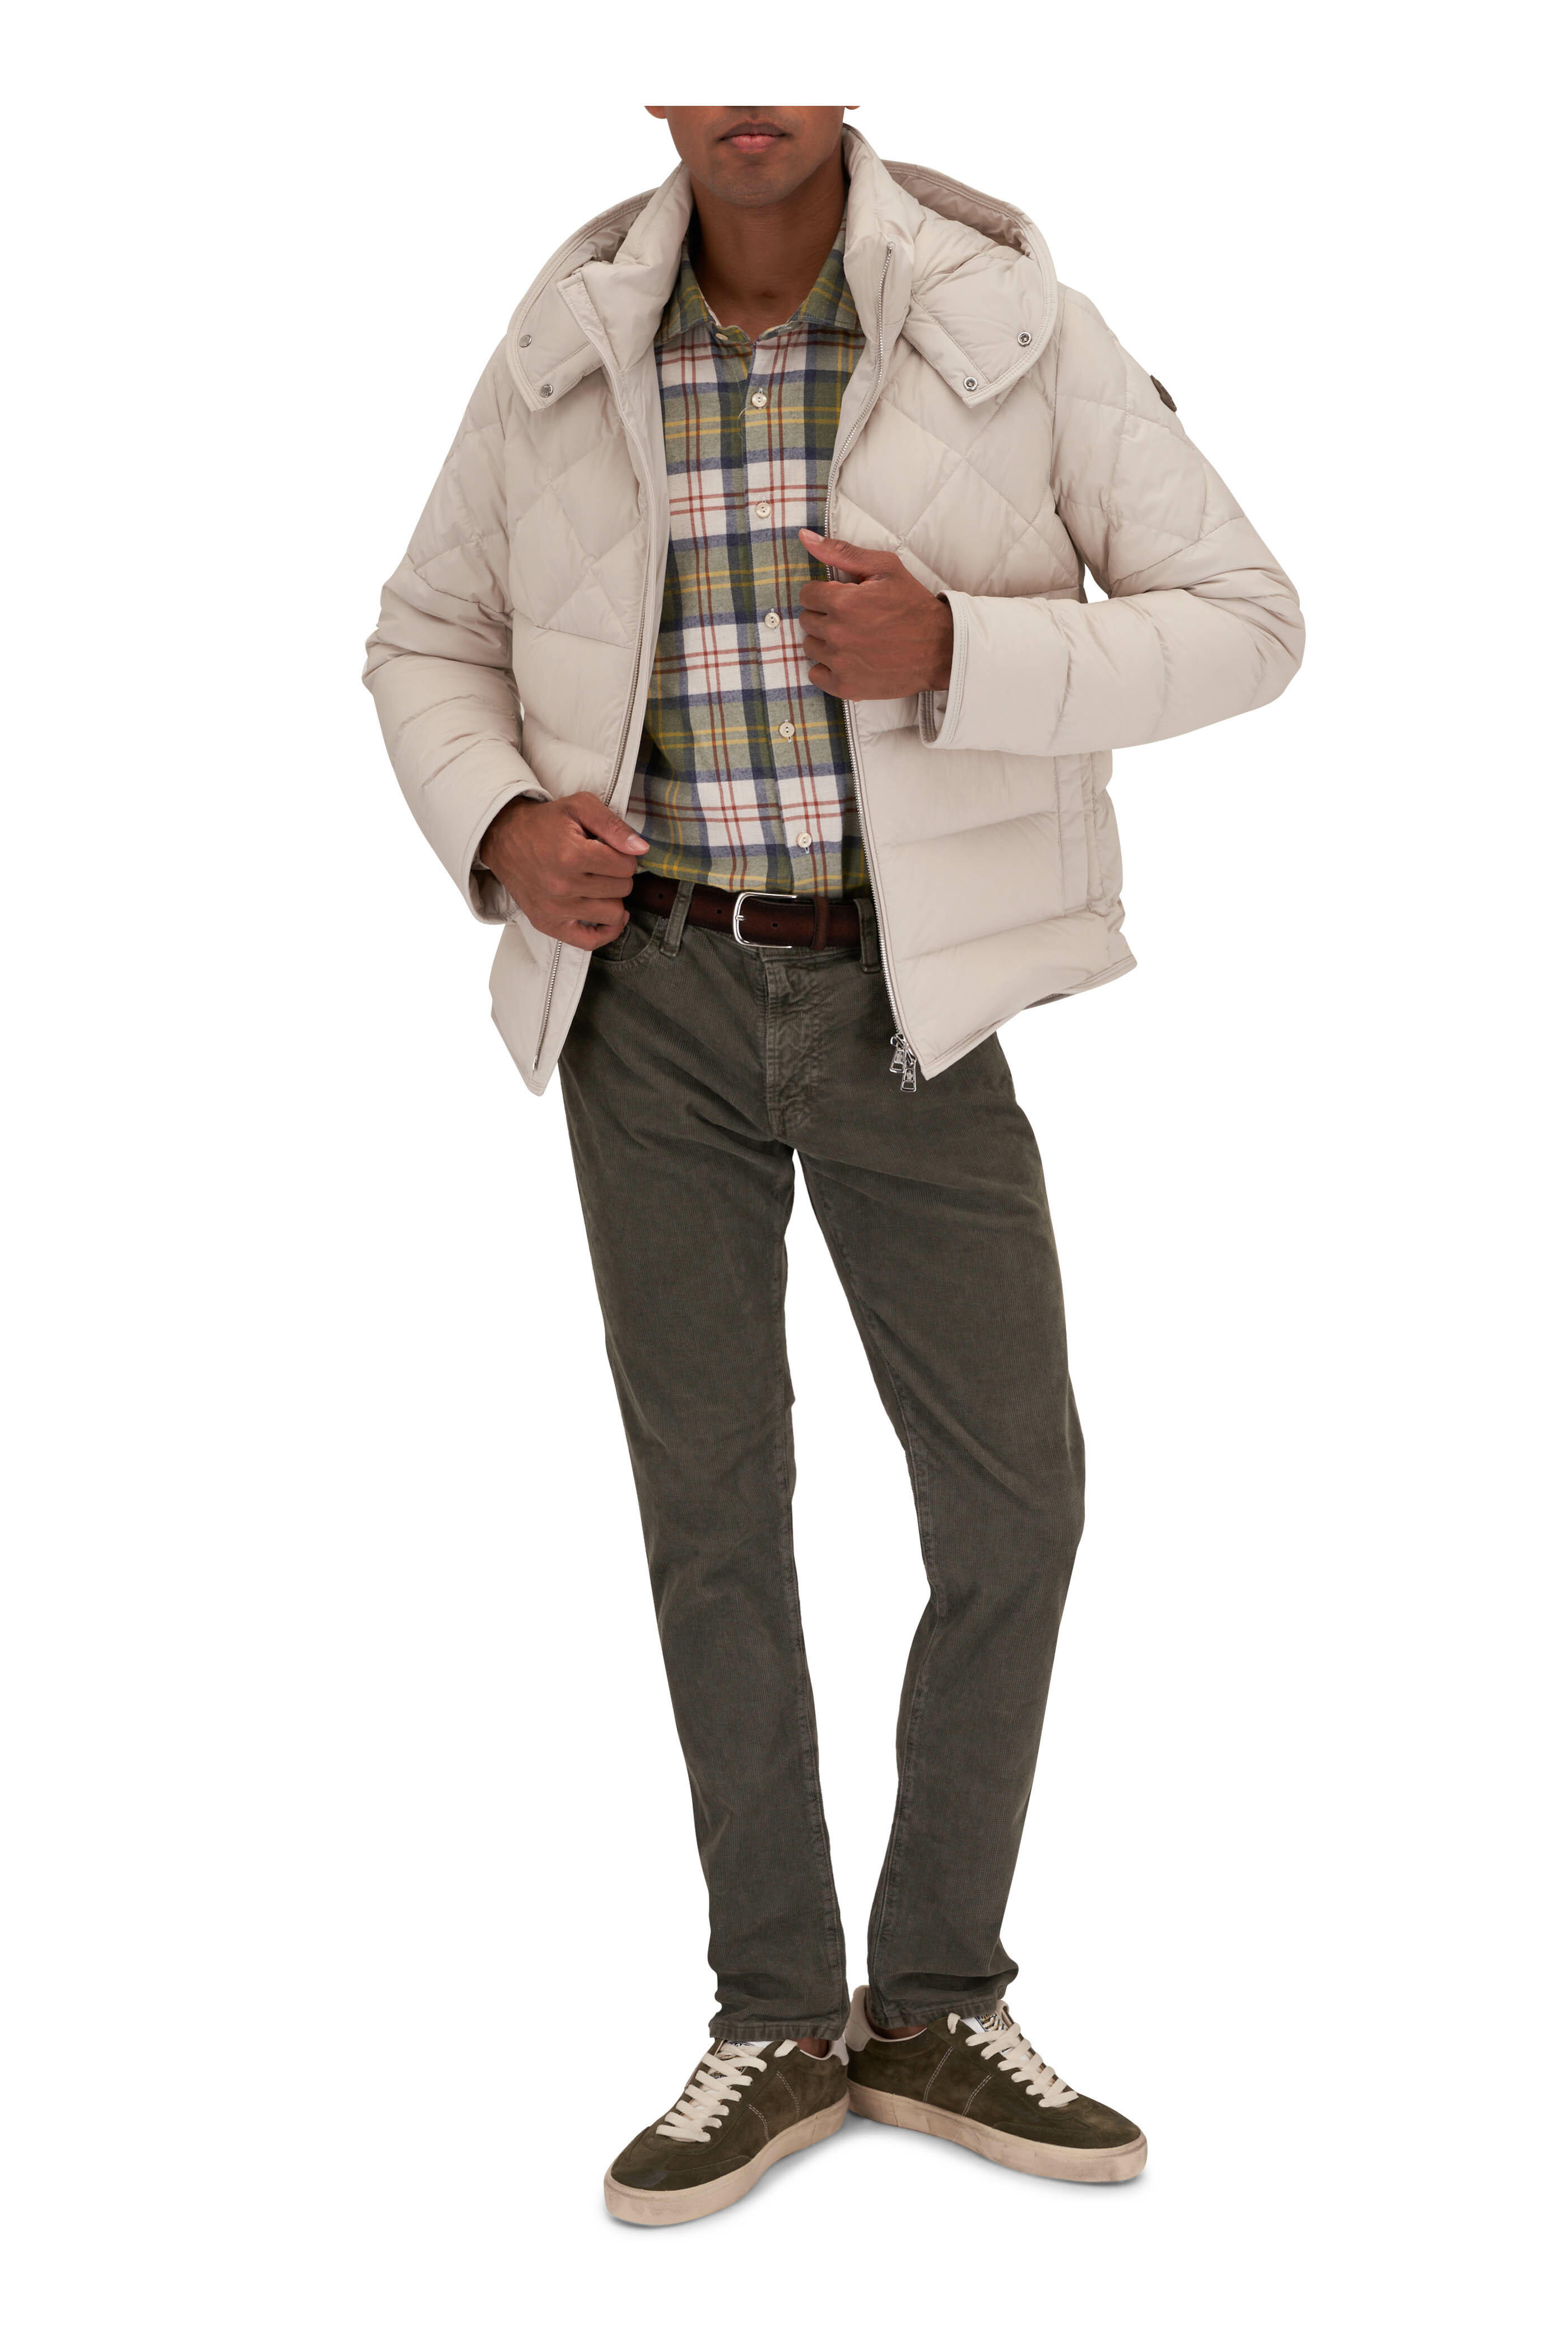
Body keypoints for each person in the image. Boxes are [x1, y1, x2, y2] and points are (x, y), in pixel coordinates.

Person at [363, 104, 1303, 2227]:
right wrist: (498, 824)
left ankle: (939, 1996)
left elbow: (1250, 618)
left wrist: (971, 650)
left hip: (912, 1000)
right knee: (715, 1519)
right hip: (653, 1006)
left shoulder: (1000, 318)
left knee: (1015, 1500)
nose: (750, 90)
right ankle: (779, 2016)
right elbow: (425, 635)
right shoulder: (570, 338)